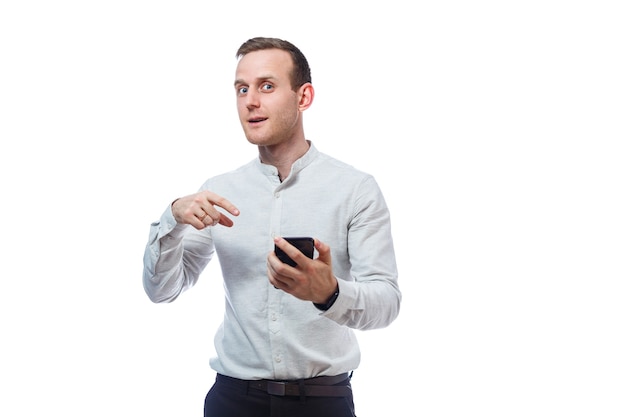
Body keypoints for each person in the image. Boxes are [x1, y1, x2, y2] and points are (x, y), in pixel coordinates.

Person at [143, 36, 401, 417]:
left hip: (322, 403)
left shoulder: (355, 189)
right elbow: (161, 291)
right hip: (232, 401)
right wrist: (173, 218)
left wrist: (329, 293)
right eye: (241, 89)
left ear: (304, 97)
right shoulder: (218, 192)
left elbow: (387, 302)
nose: (250, 100)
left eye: (267, 86)